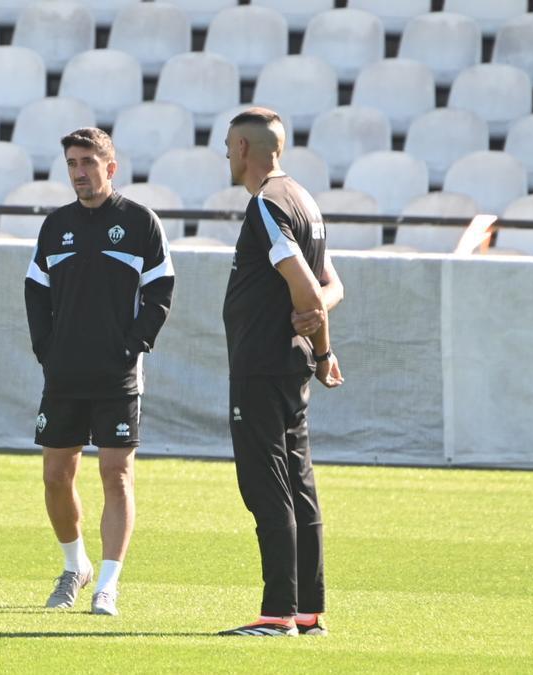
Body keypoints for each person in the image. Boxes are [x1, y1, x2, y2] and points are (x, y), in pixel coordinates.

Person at [24, 127, 175, 616]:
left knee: (116, 474)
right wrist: (45, 347)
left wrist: (132, 346)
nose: (79, 172)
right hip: (64, 373)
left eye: (88, 162)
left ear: (111, 168)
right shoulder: (55, 225)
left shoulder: (140, 223)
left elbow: (161, 292)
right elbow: (35, 289)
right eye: (71, 163)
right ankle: (75, 566)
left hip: (117, 374)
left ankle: (107, 583)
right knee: (55, 476)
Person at [217, 107, 344, 637]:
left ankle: (277, 615)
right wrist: (317, 338)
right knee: (299, 483)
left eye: (228, 145)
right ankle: (309, 611)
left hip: (264, 365)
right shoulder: (304, 199)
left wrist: (323, 349)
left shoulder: (266, 204)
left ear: (245, 149)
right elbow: (333, 287)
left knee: (267, 487)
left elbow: (311, 290)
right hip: (287, 366)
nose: (225, 153)